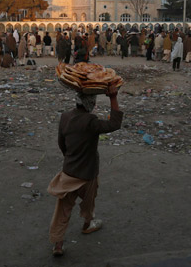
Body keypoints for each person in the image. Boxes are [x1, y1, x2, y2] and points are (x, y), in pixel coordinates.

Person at [48, 85, 123, 257]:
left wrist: (71, 159)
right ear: (91, 103)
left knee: (63, 209)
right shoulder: (91, 121)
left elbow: (62, 144)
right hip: (88, 173)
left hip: (69, 173)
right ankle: (87, 224)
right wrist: (113, 97)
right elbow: (115, 123)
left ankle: (58, 245)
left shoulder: (65, 117)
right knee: (89, 202)